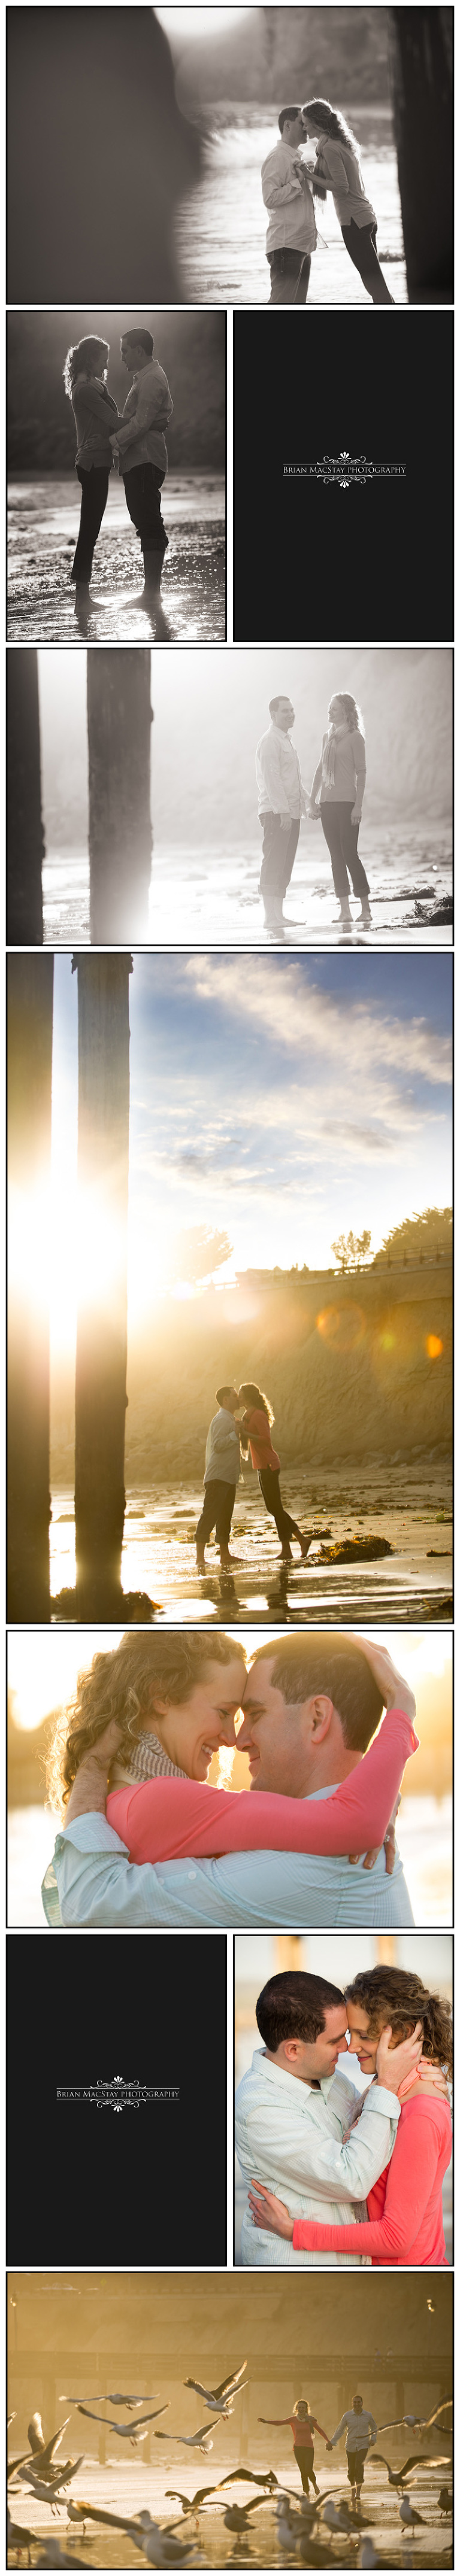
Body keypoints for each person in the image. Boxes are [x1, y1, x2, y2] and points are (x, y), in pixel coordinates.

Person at [41, 1636, 418, 1928]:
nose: (234, 1739)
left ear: (318, 1718)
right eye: (226, 1712)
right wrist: (401, 1711)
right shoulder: (162, 1800)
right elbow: (90, 1908)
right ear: (160, 1698)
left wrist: (378, 1793)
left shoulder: (115, 1803)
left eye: (252, 1714)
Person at [249, 1966, 452, 2268]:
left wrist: (295, 2231)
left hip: (404, 2281)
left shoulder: (419, 2112)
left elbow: (396, 2238)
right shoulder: (387, 2089)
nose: (350, 2047)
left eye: (363, 2035)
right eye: (347, 2035)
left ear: (403, 2033)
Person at [302, 100, 394, 304]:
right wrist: (314, 173)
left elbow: (341, 188)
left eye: (306, 123)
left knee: (375, 287)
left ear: (317, 124)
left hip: (355, 222)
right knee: (376, 285)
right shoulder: (340, 143)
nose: (304, 127)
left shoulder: (330, 149)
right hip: (366, 218)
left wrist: (309, 176)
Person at [110, 328, 173, 613]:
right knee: (145, 519)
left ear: (139, 350)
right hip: (140, 459)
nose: (121, 357)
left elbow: (141, 424)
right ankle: (150, 593)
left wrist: (111, 442)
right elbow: (141, 422)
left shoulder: (151, 379)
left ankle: (151, 594)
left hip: (145, 459)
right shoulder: (145, 378)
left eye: (125, 350)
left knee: (148, 521)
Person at [63, 336, 120, 618]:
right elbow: (114, 421)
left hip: (99, 463)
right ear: (90, 360)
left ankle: (83, 597)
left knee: (91, 530)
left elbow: (111, 422)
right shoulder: (85, 390)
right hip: (91, 464)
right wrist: (152, 421)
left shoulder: (94, 386)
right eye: (103, 359)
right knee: (89, 531)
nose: (106, 365)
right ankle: (81, 599)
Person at [308, 692, 372, 930]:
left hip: (347, 803)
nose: (330, 711)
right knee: (336, 858)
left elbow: (362, 772)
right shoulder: (327, 737)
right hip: (327, 804)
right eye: (329, 707)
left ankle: (365, 909)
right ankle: (345, 911)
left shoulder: (356, 738)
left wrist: (358, 805)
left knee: (350, 855)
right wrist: (312, 801)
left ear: (345, 711)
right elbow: (319, 769)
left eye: (334, 708)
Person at [237, 1382, 312, 1561]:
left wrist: (246, 1434)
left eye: (240, 1395)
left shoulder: (259, 1415)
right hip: (262, 1465)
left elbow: (265, 1440)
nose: (238, 1398)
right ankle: (301, 1540)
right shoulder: (248, 1414)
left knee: (276, 1508)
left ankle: (288, 1548)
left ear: (247, 1397)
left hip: (270, 1465)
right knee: (273, 1508)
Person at [256, 694, 307, 934]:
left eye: (292, 710)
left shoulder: (287, 740)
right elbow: (272, 779)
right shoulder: (270, 741)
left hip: (292, 812)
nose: (290, 714)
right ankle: (270, 917)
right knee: (273, 861)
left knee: (285, 864)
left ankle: (279, 915)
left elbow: (293, 780)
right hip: (276, 813)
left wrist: (308, 803)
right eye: (285, 711)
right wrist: (284, 812)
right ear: (273, 715)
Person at [261, 107, 317, 305]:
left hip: (301, 245)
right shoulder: (278, 157)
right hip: (286, 247)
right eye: (301, 123)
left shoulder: (294, 156)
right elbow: (270, 198)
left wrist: (309, 176)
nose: (305, 127)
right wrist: (298, 182)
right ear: (287, 125)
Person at [195, 1385, 242, 1570]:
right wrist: (235, 1434)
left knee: (225, 1517)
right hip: (217, 1477)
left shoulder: (231, 1419)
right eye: (235, 1395)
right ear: (226, 1400)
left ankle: (225, 1555)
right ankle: (200, 1558)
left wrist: (238, 1430)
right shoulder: (222, 1419)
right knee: (210, 1515)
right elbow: (217, 1446)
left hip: (228, 1476)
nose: (238, 1398)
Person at [257, 2398, 329, 2497]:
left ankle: (314, 2484)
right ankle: (307, 2493)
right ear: (296, 2409)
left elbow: (320, 2431)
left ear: (306, 2409)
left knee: (309, 2470)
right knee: (303, 2472)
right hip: (298, 2449)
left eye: (303, 2408)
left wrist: (328, 2441)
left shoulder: (311, 2420)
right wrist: (267, 2421)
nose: (301, 2409)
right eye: (299, 2407)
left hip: (309, 2448)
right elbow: (280, 2423)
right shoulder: (293, 2420)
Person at [328, 2396, 378, 2503]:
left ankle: (358, 2492)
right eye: (355, 2402)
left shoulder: (368, 2415)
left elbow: (374, 2428)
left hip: (364, 2445)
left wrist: (373, 2439)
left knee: (359, 2466)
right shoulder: (347, 2416)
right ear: (352, 2404)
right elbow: (340, 2430)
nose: (357, 2404)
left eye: (359, 2402)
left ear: (362, 2403)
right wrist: (332, 2442)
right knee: (351, 2470)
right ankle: (353, 2490)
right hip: (350, 2445)